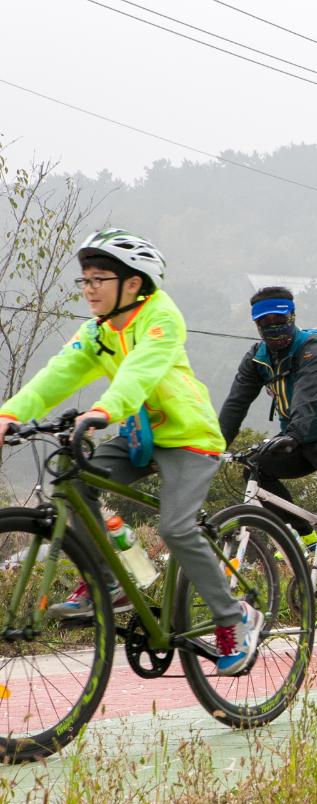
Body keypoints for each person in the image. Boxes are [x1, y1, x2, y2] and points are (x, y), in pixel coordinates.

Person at [0, 229, 261, 675]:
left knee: (177, 528)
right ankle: (111, 580)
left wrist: (105, 410)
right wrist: (9, 413)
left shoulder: (162, 317)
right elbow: (58, 374)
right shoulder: (96, 331)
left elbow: (141, 371)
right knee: (75, 484)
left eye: (98, 278)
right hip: (140, 437)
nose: (88, 289)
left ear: (133, 283)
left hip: (189, 437)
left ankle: (233, 616)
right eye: (83, 280)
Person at [219, 286, 317, 634]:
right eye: (264, 322)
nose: (273, 327)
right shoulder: (257, 358)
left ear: (292, 317)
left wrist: (292, 434)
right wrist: (214, 445)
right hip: (299, 440)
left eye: (279, 320)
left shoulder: (314, 349)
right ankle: (304, 534)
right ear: (256, 326)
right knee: (255, 467)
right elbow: (236, 404)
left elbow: (306, 398)